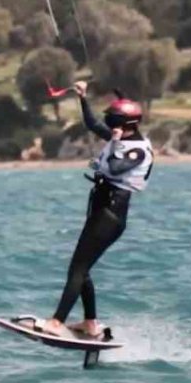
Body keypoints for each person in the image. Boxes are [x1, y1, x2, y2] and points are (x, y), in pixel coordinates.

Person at [39, 81, 153, 339]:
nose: (110, 128)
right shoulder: (122, 136)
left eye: (114, 124)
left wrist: (112, 143)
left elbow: (114, 168)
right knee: (82, 269)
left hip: (110, 216)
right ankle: (90, 324)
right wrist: (83, 98)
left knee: (77, 270)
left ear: (126, 126)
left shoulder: (138, 151)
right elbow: (92, 124)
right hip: (100, 211)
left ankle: (56, 322)